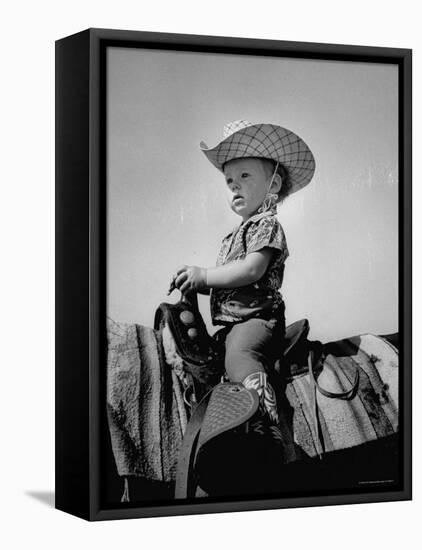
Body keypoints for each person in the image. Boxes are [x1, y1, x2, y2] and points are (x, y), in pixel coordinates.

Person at [171, 119, 315, 429]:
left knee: (239, 358)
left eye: (245, 175)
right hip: (232, 324)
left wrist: (205, 276)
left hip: (257, 321)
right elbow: (229, 284)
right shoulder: (231, 237)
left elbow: (251, 270)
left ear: (273, 185)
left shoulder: (267, 225)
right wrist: (194, 283)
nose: (235, 184)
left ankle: (265, 423)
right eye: (229, 180)